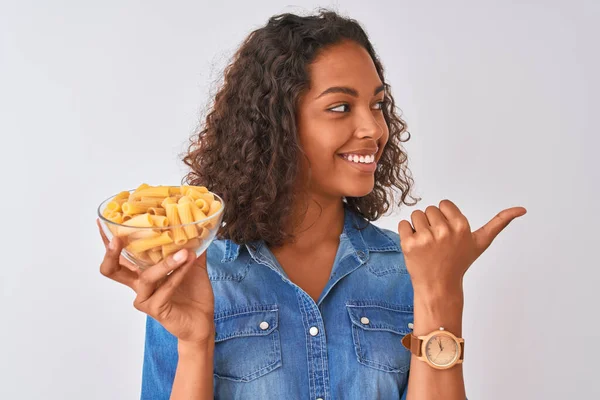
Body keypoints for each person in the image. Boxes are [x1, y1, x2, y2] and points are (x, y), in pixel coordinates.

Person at [97, 8, 526, 399]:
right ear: (277, 126)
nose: (374, 128)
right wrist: (195, 343)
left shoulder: (411, 268)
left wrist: (440, 294)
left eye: (377, 105)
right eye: (341, 107)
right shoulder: (194, 276)